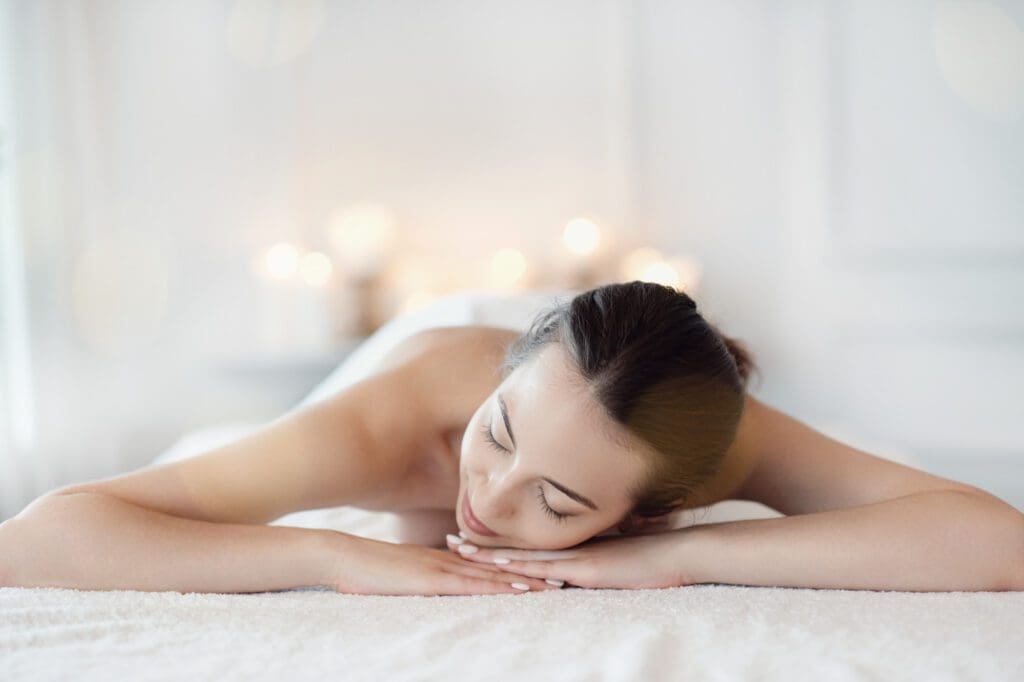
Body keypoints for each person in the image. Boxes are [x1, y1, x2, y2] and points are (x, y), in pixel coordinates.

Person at [3, 281, 1021, 596]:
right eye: (498, 443)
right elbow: (39, 539)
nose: (489, 498)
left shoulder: (710, 439)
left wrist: (682, 556)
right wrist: (330, 553)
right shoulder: (400, 428)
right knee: (232, 447)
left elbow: (996, 542)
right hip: (440, 363)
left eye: (560, 502)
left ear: (649, 503)